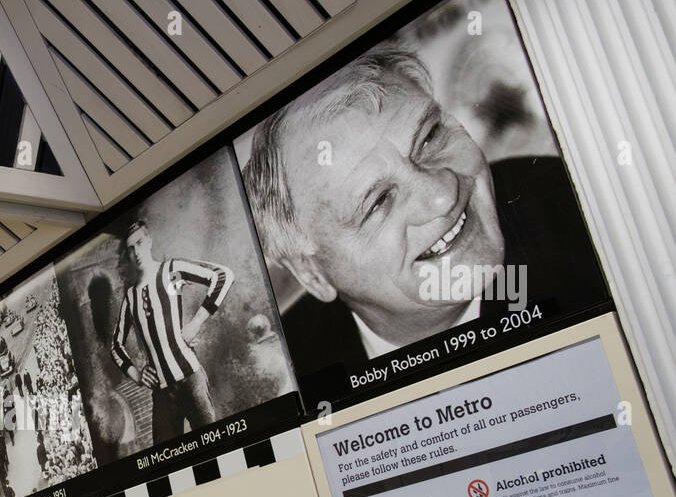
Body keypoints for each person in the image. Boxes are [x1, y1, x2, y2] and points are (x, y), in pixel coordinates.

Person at [242, 44, 608, 382]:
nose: (442, 196)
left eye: (430, 138)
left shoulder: (588, 210)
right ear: (313, 274)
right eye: (378, 201)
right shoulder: (285, 376)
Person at [110, 220, 235, 442]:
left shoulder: (171, 272)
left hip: (191, 380)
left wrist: (196, 322)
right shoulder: (130, 297)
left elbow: (222, 276)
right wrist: (136, 374)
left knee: (214, 445)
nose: (136, 251)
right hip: (163, 393)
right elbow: (116, 346)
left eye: (139, 243)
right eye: (130, 249)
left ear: (148, 241)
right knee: (167, 461)